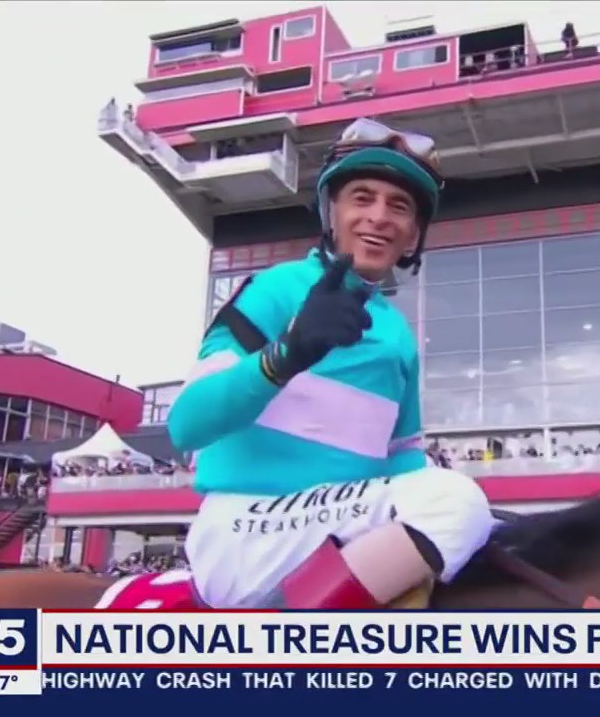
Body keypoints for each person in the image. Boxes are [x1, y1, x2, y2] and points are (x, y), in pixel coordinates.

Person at [171, 118, 495, 610]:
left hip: (336, 529)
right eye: (362, 198)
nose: (379, 217)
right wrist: (286, 356)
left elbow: (404, 463)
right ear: (331, 212)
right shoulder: (273, 290)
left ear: (413, 233)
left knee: (477, 521)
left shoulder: (398, 336)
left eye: (399, 206)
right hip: (245, 531)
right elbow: (185, 426)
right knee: (454, 501)